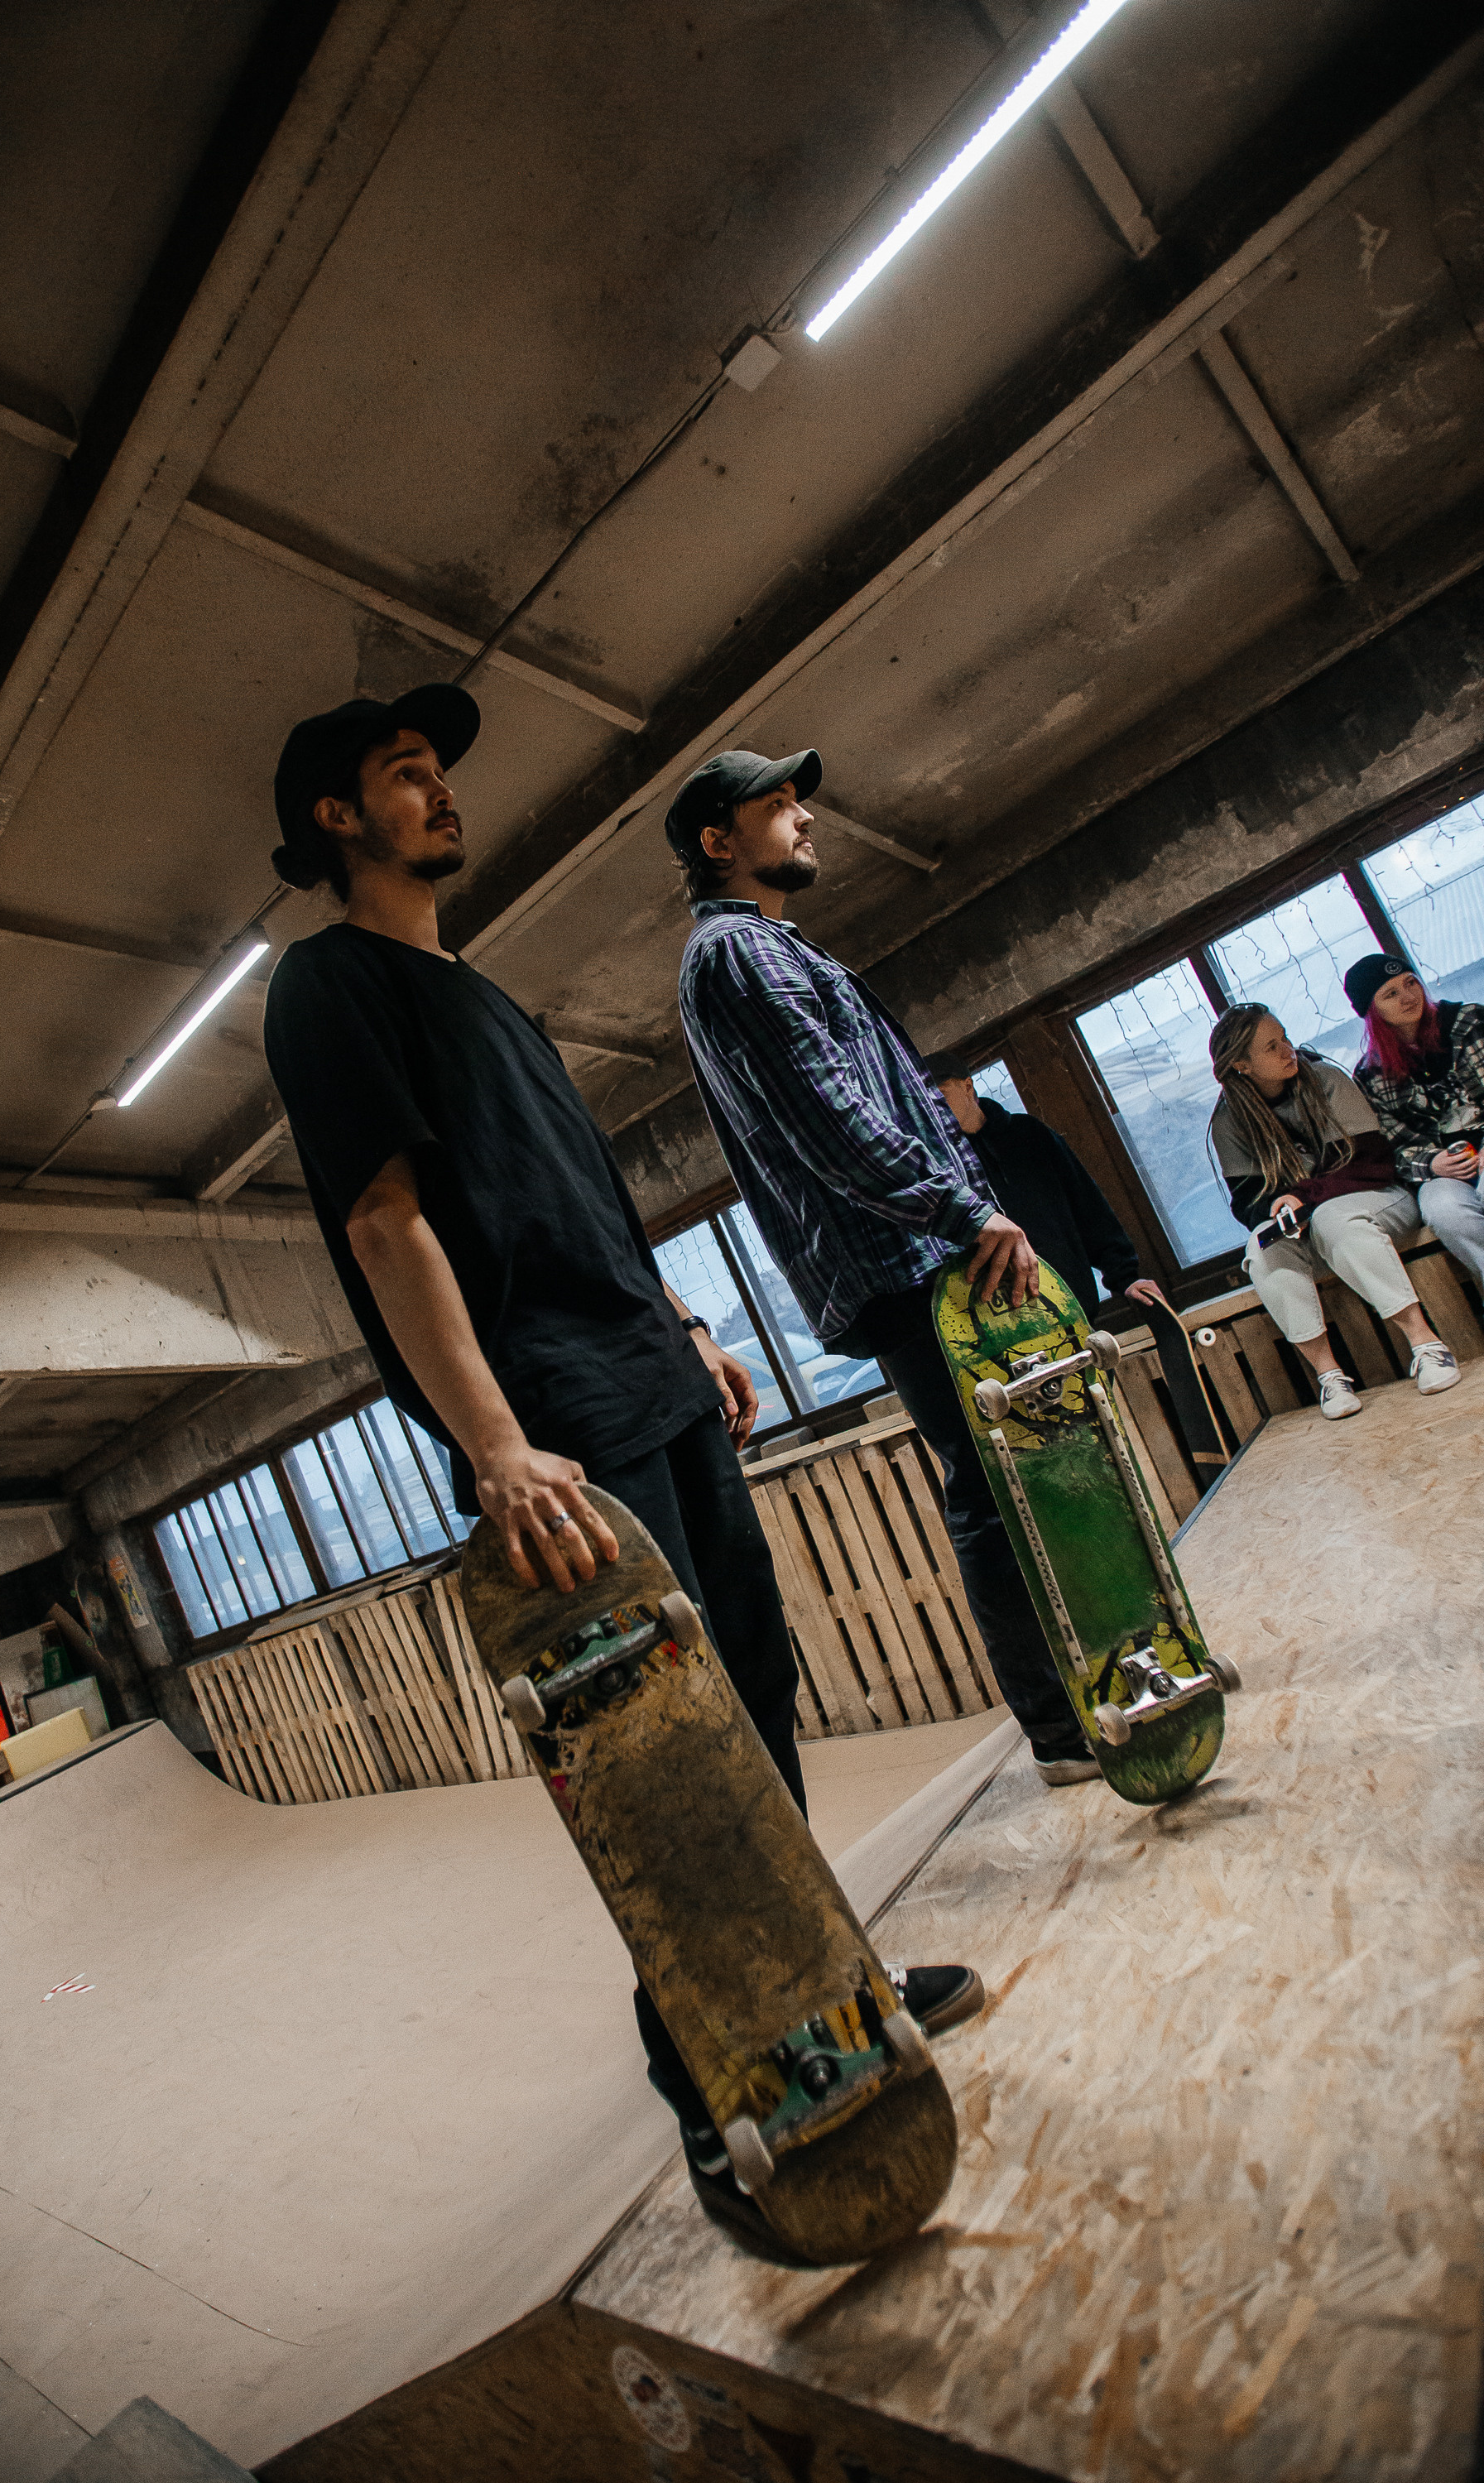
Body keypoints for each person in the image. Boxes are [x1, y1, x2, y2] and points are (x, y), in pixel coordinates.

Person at [261, 689, 981, 2264]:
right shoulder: (327, 989)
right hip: (556, 1434)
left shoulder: (492, 1002)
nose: (439, 791)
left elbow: (577, 1196)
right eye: (404, 776)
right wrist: (495, 1444)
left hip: (651, 1380)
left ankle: (825, 1992)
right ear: (335, 816)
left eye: (439, 769)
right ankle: (725, 2082)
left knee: (758, 1702)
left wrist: (686, 1321)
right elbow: (390, 1223)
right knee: (662, 1770)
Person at [668, 747, 1097, 1791]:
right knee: (995, 1481)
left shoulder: (771, 949)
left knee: (1017, 1468)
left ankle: (1097, 1681)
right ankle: (1063, 1726)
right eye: (775, 806)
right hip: (909, 1258)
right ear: (718, 843)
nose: (803, 819)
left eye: (799, 801)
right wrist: (967, 1209)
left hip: (918, 1248)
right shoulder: (741, 956)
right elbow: (832, 1121)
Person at [1207, 1002, 1459, 1415]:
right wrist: (1275, 1211)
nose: (1288, 1048)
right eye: (1273, 1046)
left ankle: (1427, 1344)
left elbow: (1371, 1163)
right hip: (1311, 1229)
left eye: (1285, 1036)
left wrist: (1303, 1198)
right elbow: (1246, 1198)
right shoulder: (1229, 1118)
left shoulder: (1325, 1078)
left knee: (1333, 1218)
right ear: (1241, 1066)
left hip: (1380, 1201)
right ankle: (1330, 1378)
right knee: (1261, 1247)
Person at [922, 1054, 1169, 1325]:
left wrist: (1125, 1277)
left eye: (941, 1095)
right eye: (926, 1101)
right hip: (1000, 1322)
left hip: (1071, 1306)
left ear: (968, 1086)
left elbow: (1088, 1206)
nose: (935, 1108)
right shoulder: (937, 1166)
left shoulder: (1028, 1135)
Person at [1347, 951, 1484, 1296]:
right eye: (1390, 993)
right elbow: (1389, 1149)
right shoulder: (1370, 1074)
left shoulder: (1469, 1022)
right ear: (1371, 1010)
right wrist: (1431, 1163)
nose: (1408, 996)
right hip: (1444, 1166)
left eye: (1410, 983)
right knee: (1443, 1209)